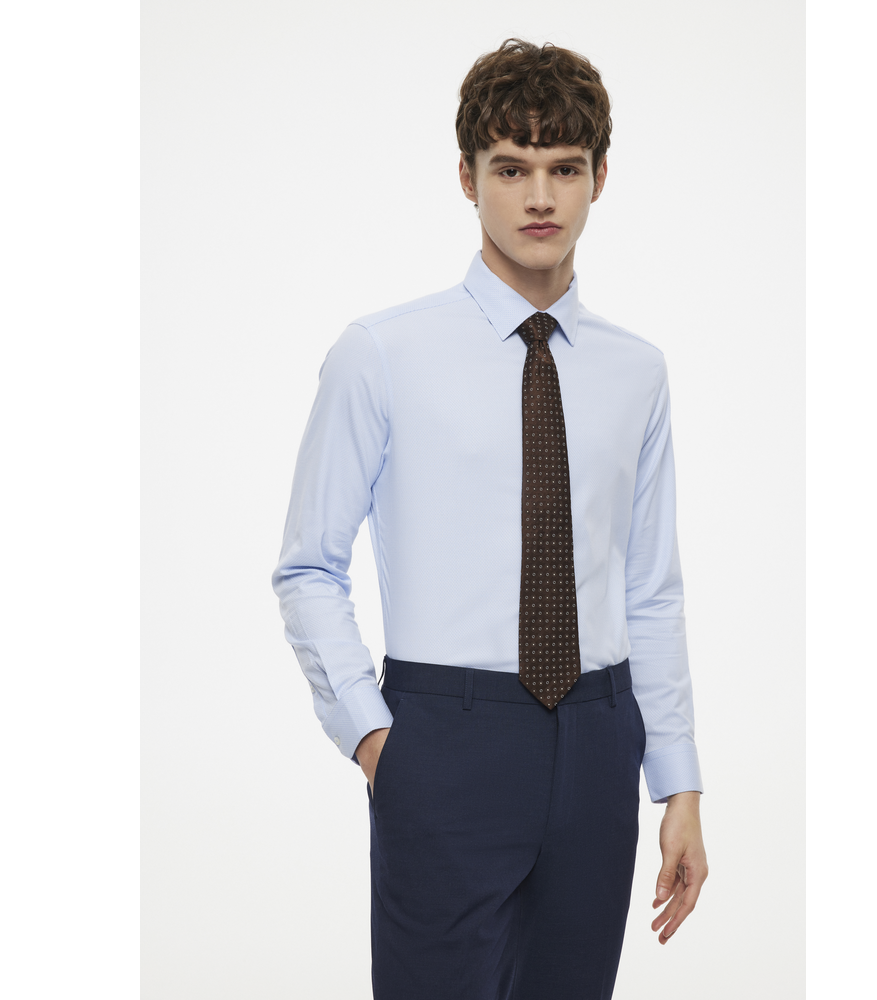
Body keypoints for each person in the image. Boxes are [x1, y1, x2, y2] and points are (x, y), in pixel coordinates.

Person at [272, 38, 708, 1000]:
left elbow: (649, 587)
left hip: (599, 736)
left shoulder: (637, 371)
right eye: (511, 169)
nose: (539, 197)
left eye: (565, 168)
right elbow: (308, 567)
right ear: (467, 178)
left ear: (600, 178)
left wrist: (677, 782)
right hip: (445, 735)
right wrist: (378, 741)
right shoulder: (382, 354)